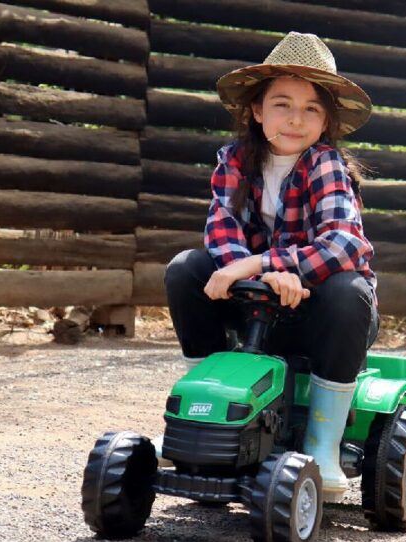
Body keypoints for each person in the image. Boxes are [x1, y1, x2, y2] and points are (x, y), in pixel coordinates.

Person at [163, 31, 378, 502]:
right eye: (282, 104)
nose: (295, 119)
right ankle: (206, 412)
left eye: (311, 109)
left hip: (320, 316)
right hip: (256, 309)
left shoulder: (327, 166)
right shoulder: (234, 161)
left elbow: (345, 243)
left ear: (327, 120)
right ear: (257, 111)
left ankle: (323, 446)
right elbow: (221, 233)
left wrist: (272, 265)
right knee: (186, 269)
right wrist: (260, 277)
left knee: (349, 289)